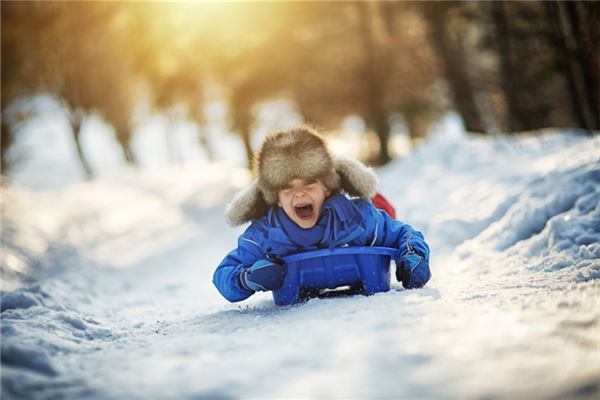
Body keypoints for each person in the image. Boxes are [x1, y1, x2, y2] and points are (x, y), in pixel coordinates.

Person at [213, 126, 431, 303]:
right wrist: (247, 279)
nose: (299, 193)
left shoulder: (356, 219)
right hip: (292, 286)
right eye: (287, 188)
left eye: (309, 184)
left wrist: (413, 256)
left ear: (326, 187)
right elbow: (224, 273)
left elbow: (404, 234)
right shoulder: (266, 236)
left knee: (382, 209)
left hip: (361, 241)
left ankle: (380, 201)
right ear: (276, 198)